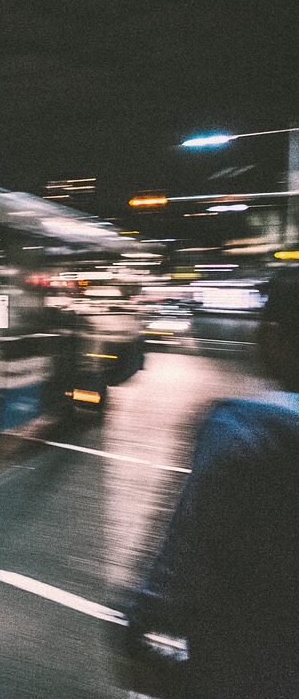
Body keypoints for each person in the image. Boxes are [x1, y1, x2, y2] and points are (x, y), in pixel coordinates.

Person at [124, 269, 299, 698]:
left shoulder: (244, 429)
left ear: (273, 335)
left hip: (243, 664)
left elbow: (183, 558)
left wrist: (139, 624)